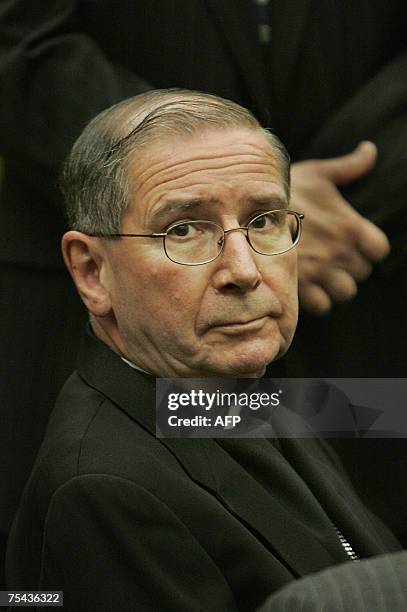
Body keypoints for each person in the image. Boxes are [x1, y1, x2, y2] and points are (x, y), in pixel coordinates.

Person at [2, 2, 407, 581]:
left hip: (361, 321)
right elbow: (18, 43)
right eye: (182, 230)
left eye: (266, 220)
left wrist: (309, 196)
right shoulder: (105, 491)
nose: (243, 269)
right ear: (92, 270)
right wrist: (183, 164)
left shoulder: (259, 397)